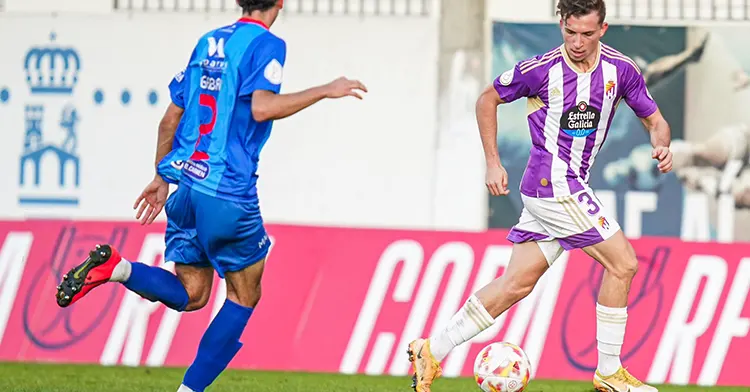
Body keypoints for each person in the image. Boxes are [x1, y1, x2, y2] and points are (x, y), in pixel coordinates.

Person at [54, 1, 366, 391]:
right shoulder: (267, 43)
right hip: (227, 193)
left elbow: (170, 117)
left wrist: (160, 176)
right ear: (280, 3)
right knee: (243, 294)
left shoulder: (207, 42)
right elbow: (262, 107)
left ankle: (118, 269)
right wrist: (326, 89)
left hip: (185, 187)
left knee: (193, 293)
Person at [406, 1, 672, 392]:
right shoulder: (541, 69)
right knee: (623, 264)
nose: (577, 42)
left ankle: (431, 349)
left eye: (586, 33)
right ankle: (610, 372)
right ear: (561, 24)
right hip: (553, 184)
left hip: (565, 186)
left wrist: (661, 145)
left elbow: (655, 119)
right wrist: (493, 163)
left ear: (604, 29)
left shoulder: (622, 70)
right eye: (570, 32)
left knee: (516, 284)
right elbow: (487, 99)